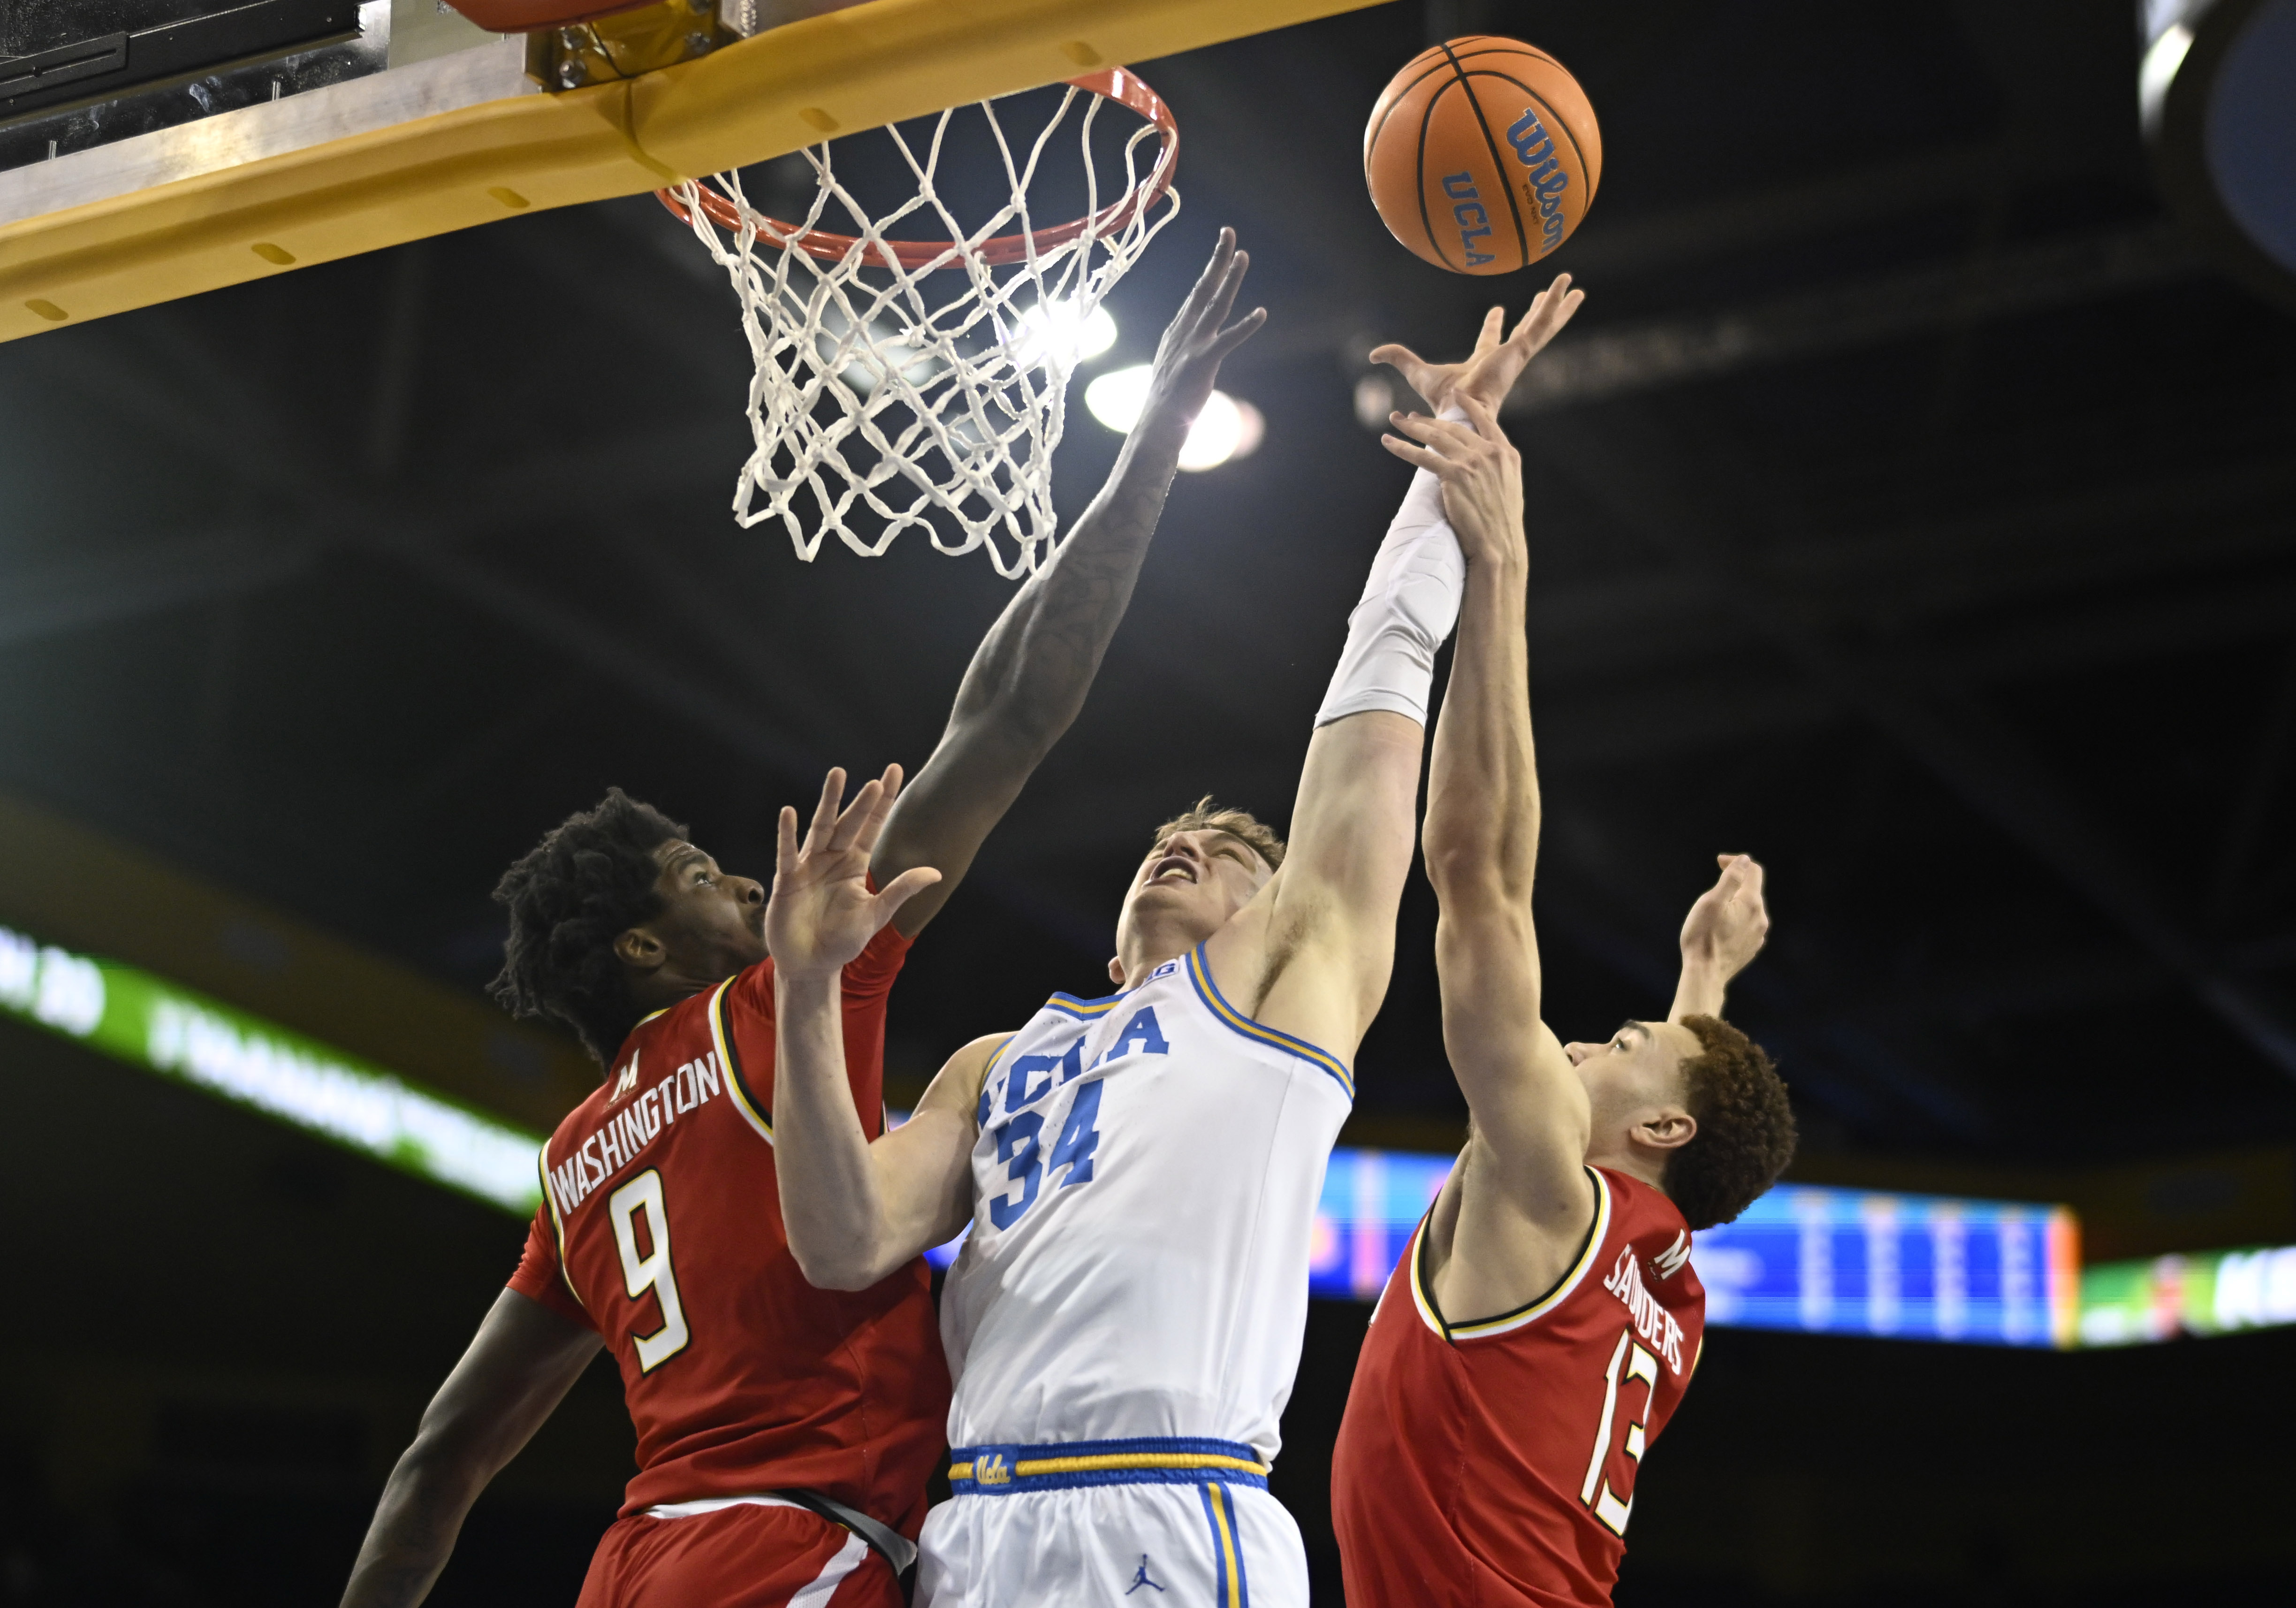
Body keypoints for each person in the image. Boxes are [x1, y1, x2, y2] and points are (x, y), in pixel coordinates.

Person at [335, 230, 1269, 1608]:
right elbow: (1007, 715)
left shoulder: (577, 1167)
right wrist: (1148, 458)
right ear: (649, 950)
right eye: (705, 878)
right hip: (793, 1546)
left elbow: (437, 1460)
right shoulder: (773, 1003)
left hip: (639, 1560)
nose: (744, 883)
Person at [757, 281, 1589, 1608]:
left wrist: (1450, 470)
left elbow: (1374, 702)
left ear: (1278, 902)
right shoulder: (997, 1058)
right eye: (1168, 834)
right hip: (975, 1529)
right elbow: (842, 1236)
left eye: (1233, 851)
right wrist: (806, 991)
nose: (1184, 842)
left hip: (1171, 1500)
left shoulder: (1283, 978)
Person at [1328, 364, 1797, 1606]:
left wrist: (1502, 566)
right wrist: (1701, 976)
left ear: (1654, 1127)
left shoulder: (1550, 1180)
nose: (1589, 1036)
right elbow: (1690, 1102)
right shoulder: (1668, 1281)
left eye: (1625, 1038)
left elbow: (1477, 873)